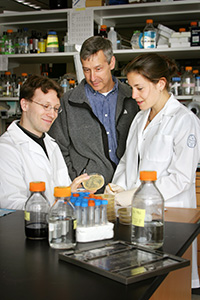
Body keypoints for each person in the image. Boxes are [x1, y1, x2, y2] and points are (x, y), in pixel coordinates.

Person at [107, 53, 200, 289]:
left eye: (140, 88)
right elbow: (128, 161)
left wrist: (135, 195)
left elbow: (181, 178)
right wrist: (118, 188)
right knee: (143, 280)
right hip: (137, 215)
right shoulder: (140, 118)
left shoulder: (184, 120)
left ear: (160, 83)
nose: (134, 95)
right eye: (131, 88)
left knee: (169, 283)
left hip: (172, 217)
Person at [49, 36, 139, 193]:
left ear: (111, 63)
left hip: (127, 189)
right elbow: (57, 148)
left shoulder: (133, 98)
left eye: (98, 69)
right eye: (86, 70)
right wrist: (77, 177)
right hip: (88, 193)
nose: (92, 77)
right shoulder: (68, 101)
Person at [0, 75, 91, 210]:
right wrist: (60, 201)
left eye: (55, 108)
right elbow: (11, 204)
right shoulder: (6, 149)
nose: (52, 114)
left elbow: (63, 188)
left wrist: (77, 193)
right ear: (25, 105)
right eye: (46, 106)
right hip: (25, 229)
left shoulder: (51, 144)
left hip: (56, 224)